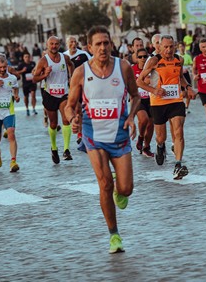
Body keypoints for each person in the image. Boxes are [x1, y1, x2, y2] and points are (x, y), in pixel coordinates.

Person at [65, 26, 140, 254]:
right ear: (89, 48)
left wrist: (131, 116)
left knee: (126, 189)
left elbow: (136, 95)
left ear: (111, 44)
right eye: (97, 44)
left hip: (119, 132)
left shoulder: (123, 67)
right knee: (105, 183)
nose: (103, 48)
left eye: (106, 43)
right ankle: (114, 235)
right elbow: (70, 105)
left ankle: (120, 189)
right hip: (93, 134)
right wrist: (72, 120)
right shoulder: (81, 72)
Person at [136, 35, 196, 179]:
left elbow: (180, 77)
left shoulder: (178, 60)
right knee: (161, 136)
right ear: (160, 47)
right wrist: (154, 90)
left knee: (179, 131)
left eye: (171, 47)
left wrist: (188, 87)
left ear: (175, 46)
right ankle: (160, 146)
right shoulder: (154, 61)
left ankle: (178, 164)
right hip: (159, 102)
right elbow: (139, 81)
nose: (169, 50)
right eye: (166, 47)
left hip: (176, 100)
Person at [33, 36, 75, 163]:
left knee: (66, 119)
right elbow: (35, 78)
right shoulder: (43, 61)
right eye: (51, 44)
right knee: (53, 123)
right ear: (47, 45)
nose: (54, 46)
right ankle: (54, 147)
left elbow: (71, 64)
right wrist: (45, 75)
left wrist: (71, 77)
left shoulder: (64, 57)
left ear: (59, 45)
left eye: (56, 44)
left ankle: (67, 150)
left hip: (63, 93)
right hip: (50, 94)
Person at [131, 48, 154, 157]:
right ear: (136, 58)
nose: (143, 59)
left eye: (145, 56)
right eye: (140, 57)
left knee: (150, 124)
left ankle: (146, 147)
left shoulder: (152, 69)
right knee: (143, 119)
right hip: (138, 99)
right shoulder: (132, 69)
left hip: (151, 99)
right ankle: (140, 137)